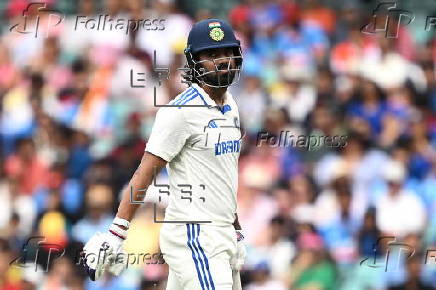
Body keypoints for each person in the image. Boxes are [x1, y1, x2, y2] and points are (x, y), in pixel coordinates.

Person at [81, 18, 247, 290]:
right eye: (212, 55)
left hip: (222, 235)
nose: (223, 61)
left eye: (228, 52)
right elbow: (144, 173)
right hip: (195, 235)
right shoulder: (180, 112)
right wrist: (116, 234)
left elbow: (224, 178)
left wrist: (236, 229)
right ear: (194, 62)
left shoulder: (231, 105)